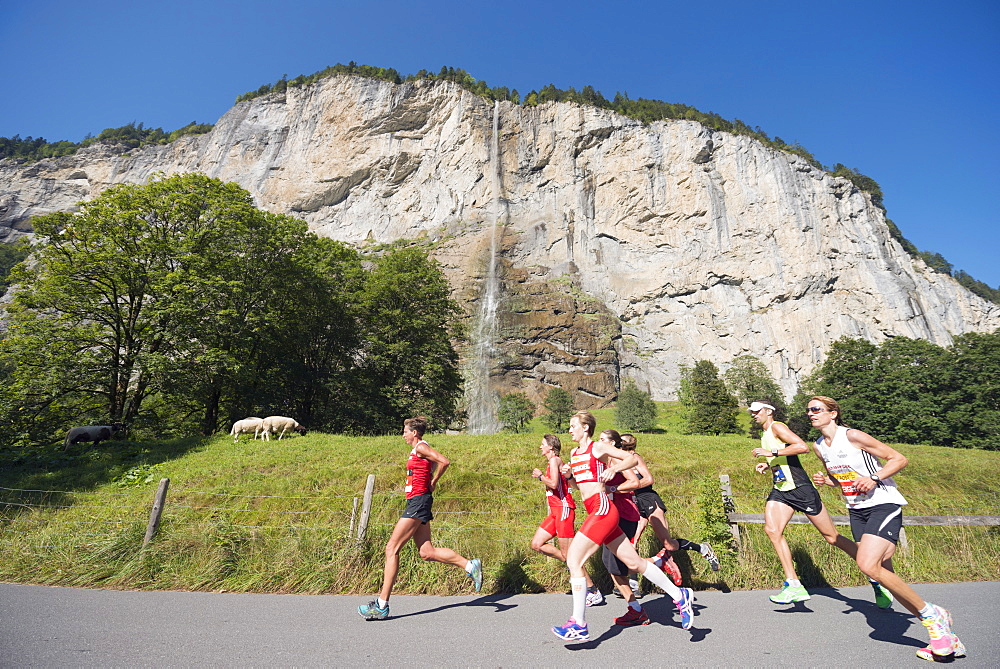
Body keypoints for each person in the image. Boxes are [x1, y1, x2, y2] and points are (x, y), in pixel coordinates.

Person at [808, 396, 965, 661]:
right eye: (809, 411)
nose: (811, 414)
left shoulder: (853, 435)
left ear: (833, 413)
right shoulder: (819, 446)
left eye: (816, 409)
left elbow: (898, 459)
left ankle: (933, 615)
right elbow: (843, 478)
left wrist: (874, 477)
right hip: (857, 511)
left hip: (884, 503)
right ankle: (946, 638)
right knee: (883, 574)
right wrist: (828, 481)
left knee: (868, 565)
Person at [551, 411, 694, 641]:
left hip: (603, 509)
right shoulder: (574, 453)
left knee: (573, 560)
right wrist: (569, 478)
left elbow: (632, 460)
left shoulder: (597, 448)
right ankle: (680, 595)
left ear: (585, 428)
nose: (569, 430)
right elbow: (581, 487)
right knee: (634, 562)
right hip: (595, 508)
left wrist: (615, 469)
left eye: (573, 425)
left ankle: (578, 623)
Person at [748, 401, 882, 605]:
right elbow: (784, 456)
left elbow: (801, 447)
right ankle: (793, 584)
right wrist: (769, 465)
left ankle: (874, 570)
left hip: (801, 489)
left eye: (757, 411)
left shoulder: (777, 426)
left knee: (832, 537)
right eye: (751, 412)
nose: (753, 415)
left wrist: (772, 454)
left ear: (769, 412)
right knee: (772, 530)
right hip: (782, 489)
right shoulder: (765, 433)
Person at [358, 416, 483, 620]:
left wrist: (433, 481)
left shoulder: (421, 448)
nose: (403, 434)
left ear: (414, 433)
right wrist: (428, 478)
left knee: (391, 548)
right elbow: (432, 464)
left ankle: (381, 605)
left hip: (418, 502)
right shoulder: (420, 450)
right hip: (418, 501)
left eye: (405, 431)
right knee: (427, 552)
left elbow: (444, 461)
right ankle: (470, 566)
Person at [620, 433, 720, 589]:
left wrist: (632, 485)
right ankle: (633, 582)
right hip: (636, 502)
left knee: (669, 545)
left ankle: (702, 549)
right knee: (632, 543)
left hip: (649, 499)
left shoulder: (635, 458)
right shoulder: (621, 462)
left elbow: (649, 479)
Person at [529, 434, 602, 605]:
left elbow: (554, 484)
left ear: (551, 447)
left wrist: (540, 476)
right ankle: (571, 563)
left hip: (563, 510)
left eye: (542, 444)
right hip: (555, 512)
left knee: (570, 555)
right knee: (537, 544)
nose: (540, 447)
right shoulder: (552, 462)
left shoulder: (555, 460)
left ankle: (592, 590)